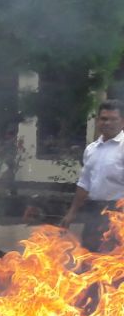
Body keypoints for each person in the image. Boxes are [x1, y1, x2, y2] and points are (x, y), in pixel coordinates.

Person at [61, 100, 124, 251]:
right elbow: (84, 183)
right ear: (97, 121)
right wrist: (72, 213)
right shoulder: (91, 149)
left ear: (122, 121)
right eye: (103, 119)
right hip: (94, 211)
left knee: (116, 259)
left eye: (113, 119)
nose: (107, 123)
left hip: (119, 214)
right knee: (89, 253)